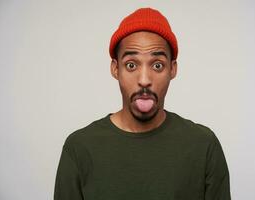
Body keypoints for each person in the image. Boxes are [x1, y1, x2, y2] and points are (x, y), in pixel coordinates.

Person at [54, 7, 231, 200]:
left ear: (172, 69)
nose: (144, 79)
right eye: (131, 65)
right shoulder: (79, 148)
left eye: (157, 65)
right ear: (115, 69)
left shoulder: (203, 145)